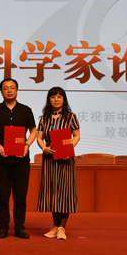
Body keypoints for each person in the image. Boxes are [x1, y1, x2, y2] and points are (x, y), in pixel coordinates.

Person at [0, 79, 37, 239]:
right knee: (2, 197)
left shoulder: (26, 110)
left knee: (20, 197)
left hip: (21, 160)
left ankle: (20, 228)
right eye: (6, 88)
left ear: (17, 90)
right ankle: (3, 228)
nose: (9, 91)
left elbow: (33, 130)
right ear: (1, 91)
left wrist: (27, 145)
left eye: (12, 88)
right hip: (1, 159)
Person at [36, 87, 80, 240]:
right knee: (53, 192)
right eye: (53, 97)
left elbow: (76, 135)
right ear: (49, 100)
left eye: (59, 97)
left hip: (66, 159)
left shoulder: (70, 117)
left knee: (65, 192)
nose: (56, 99)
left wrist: (69, 148)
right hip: (50, 159)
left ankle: (61, 228)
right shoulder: (44, 118)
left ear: (64, 100)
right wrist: (44, 148)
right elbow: (39, 137)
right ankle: (55, 226)